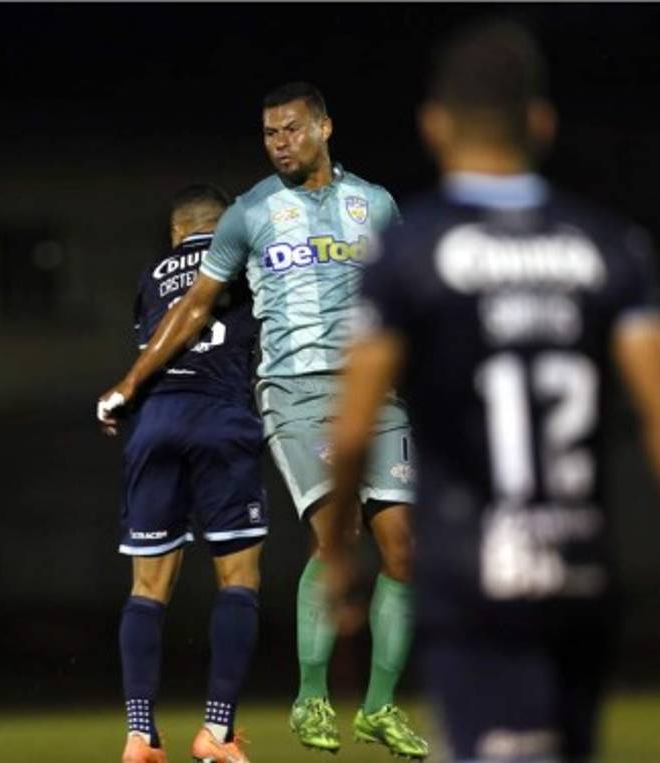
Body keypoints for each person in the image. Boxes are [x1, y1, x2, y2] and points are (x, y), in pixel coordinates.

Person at [323, 21, 660, 763]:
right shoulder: (610, 246)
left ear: (434, 125)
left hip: (476, 571)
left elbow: (353, 430)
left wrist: (337, 559)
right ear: (541, 123)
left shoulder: (410, 251)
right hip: (581, 569)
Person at [99, 83, 428, 759]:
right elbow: (195, 306)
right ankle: (288, 701)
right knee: (322, 541)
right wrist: (131, 379)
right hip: (290, 393)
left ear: (326, 127)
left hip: (368, 391)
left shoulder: (379, 205)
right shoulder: (250, 213)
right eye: (269, 133)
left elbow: (406, 293)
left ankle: (376, 707)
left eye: (291, 129)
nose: (279, 142)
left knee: (404, 548)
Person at [105, 185, 266, 763]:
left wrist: (124, 394)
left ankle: (140, 736)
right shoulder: (247, 262)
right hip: (220, 418)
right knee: (238, 581)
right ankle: (216, 732)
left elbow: (160, 344)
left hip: (155, 423)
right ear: (225, 227)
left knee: (146, 589)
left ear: (177, 233)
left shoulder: (152, 276)